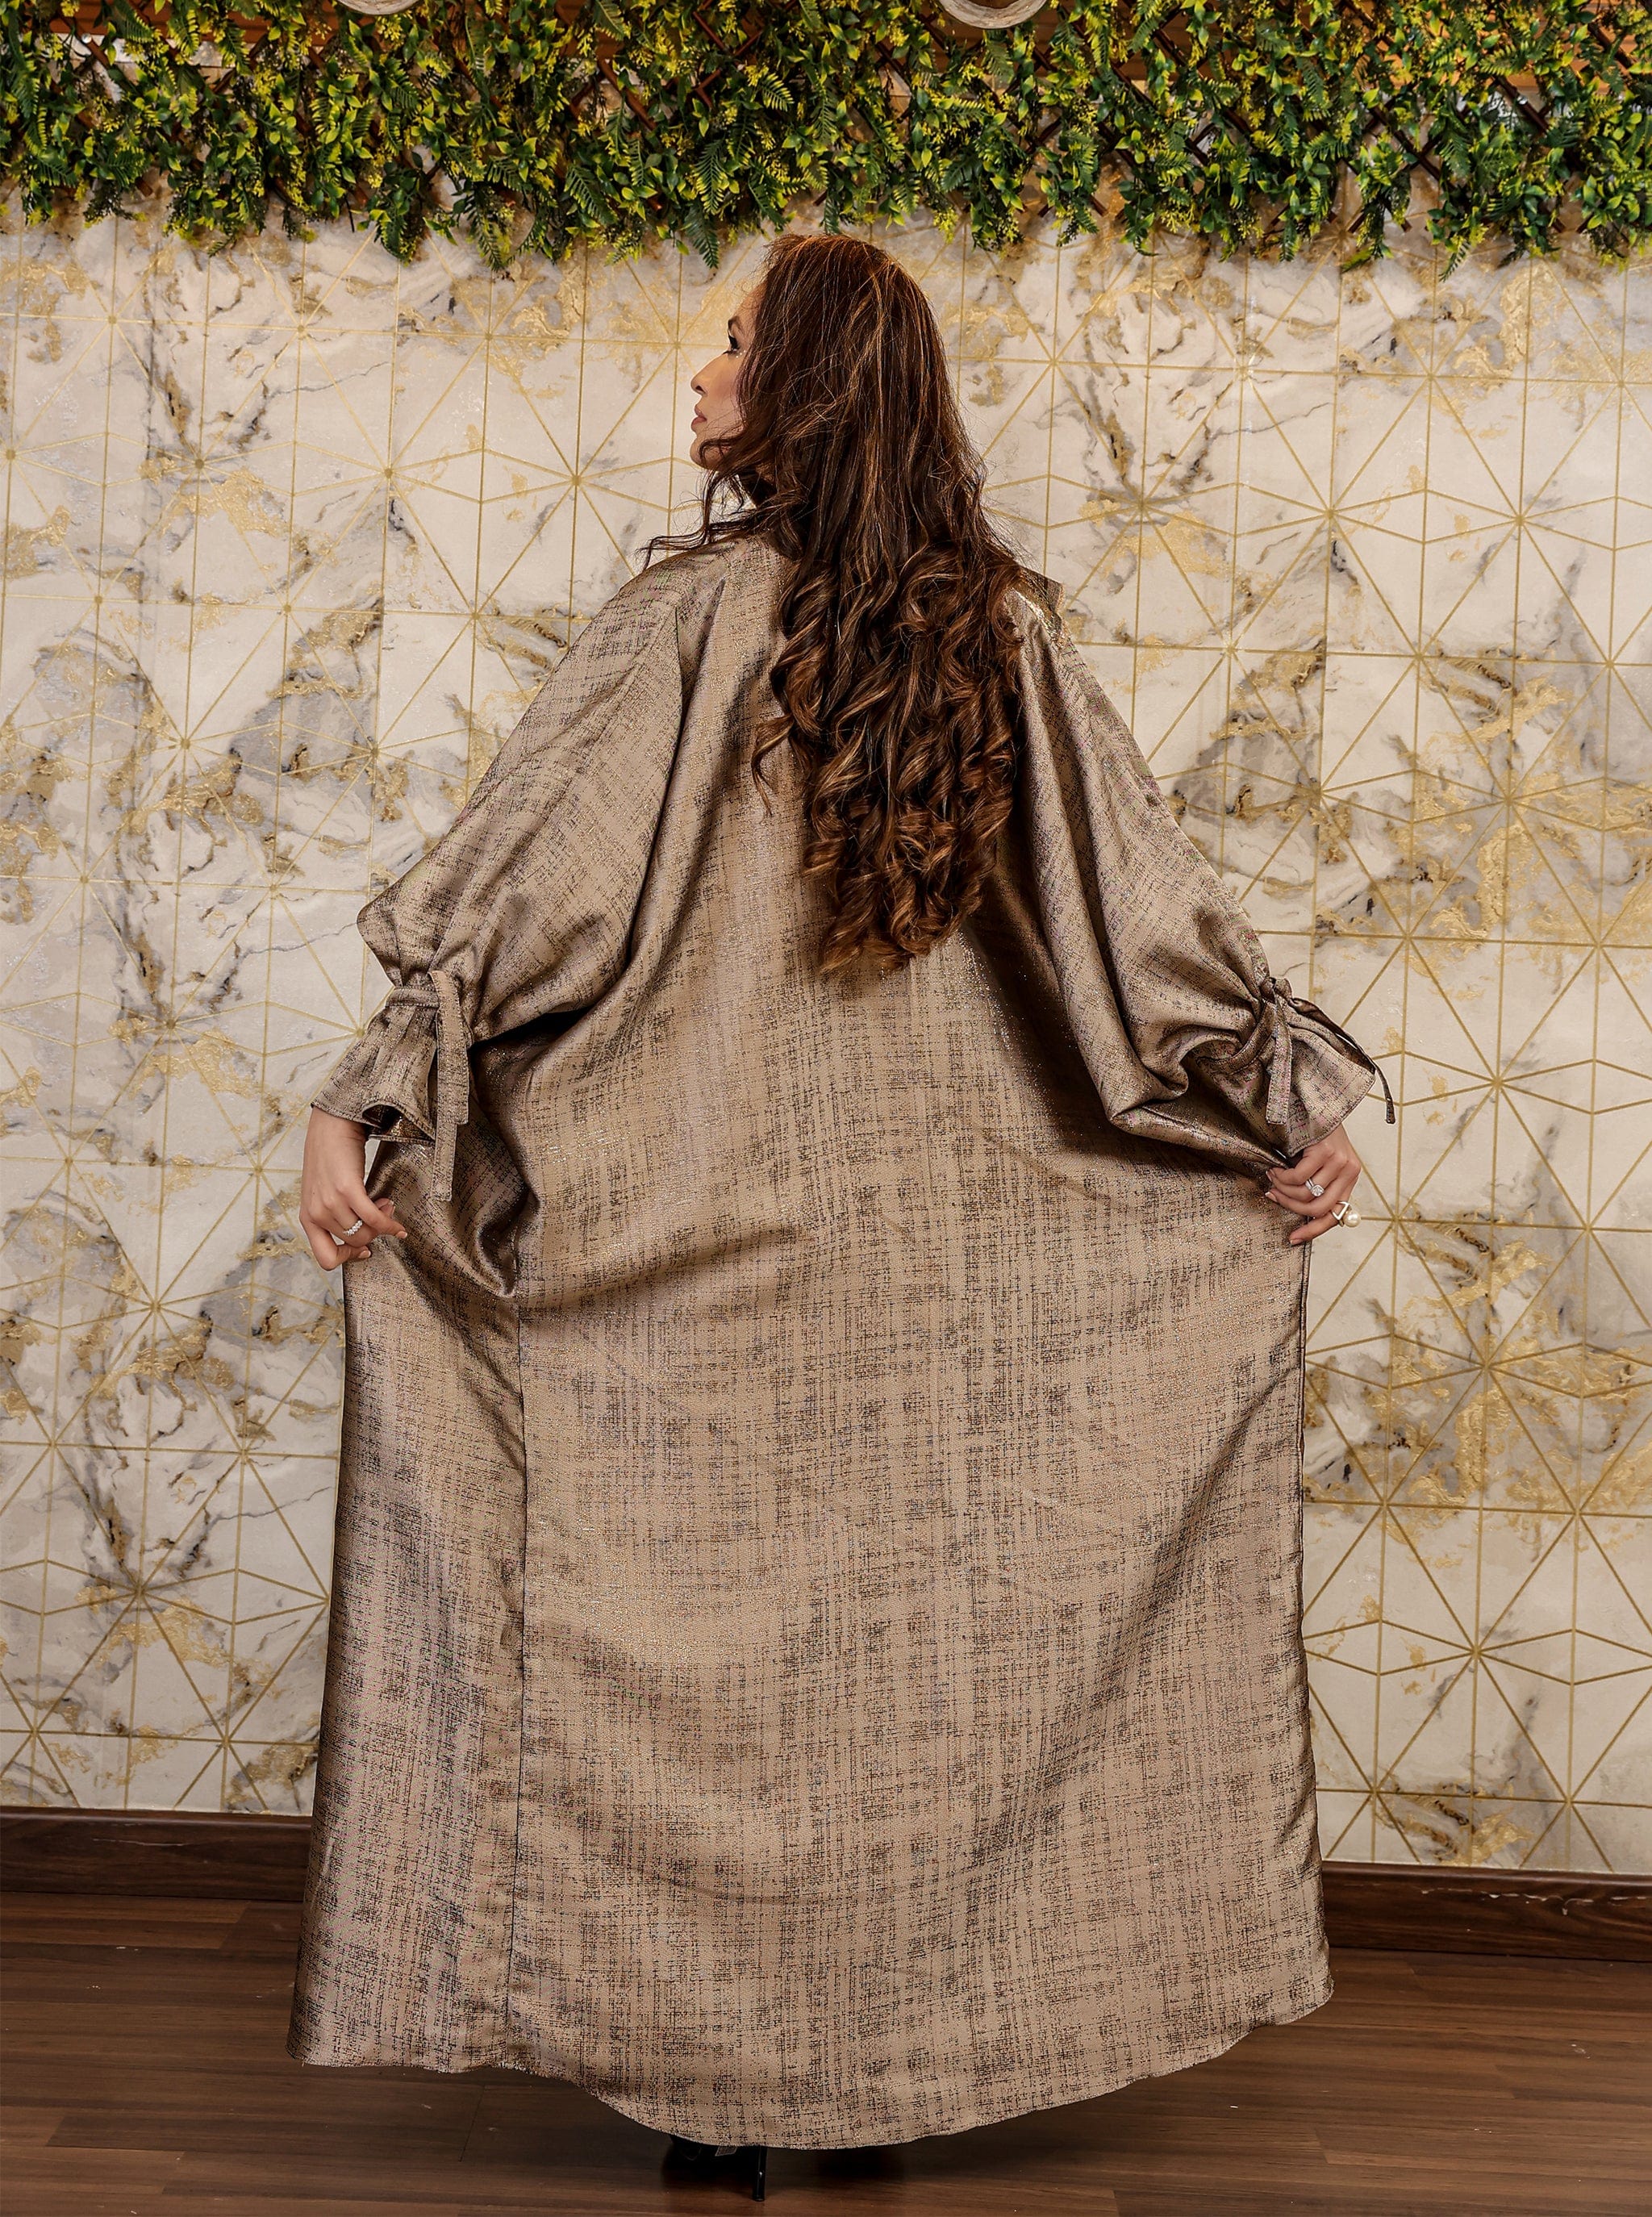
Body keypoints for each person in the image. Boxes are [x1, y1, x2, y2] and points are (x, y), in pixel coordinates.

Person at [287, 232, 1390, 2191]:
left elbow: (518, 901)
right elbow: (1147, 922)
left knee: (701, 1688)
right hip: (949, 1281)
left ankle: (723, 2096)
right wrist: (1281, 1093)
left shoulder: (682, 628)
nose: (698, 372)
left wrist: (366, 1099)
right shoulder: (1006, 640)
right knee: (910, 1676)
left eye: (730, 343)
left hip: (683, 1254)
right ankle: (874, 2083)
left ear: (798, 389)